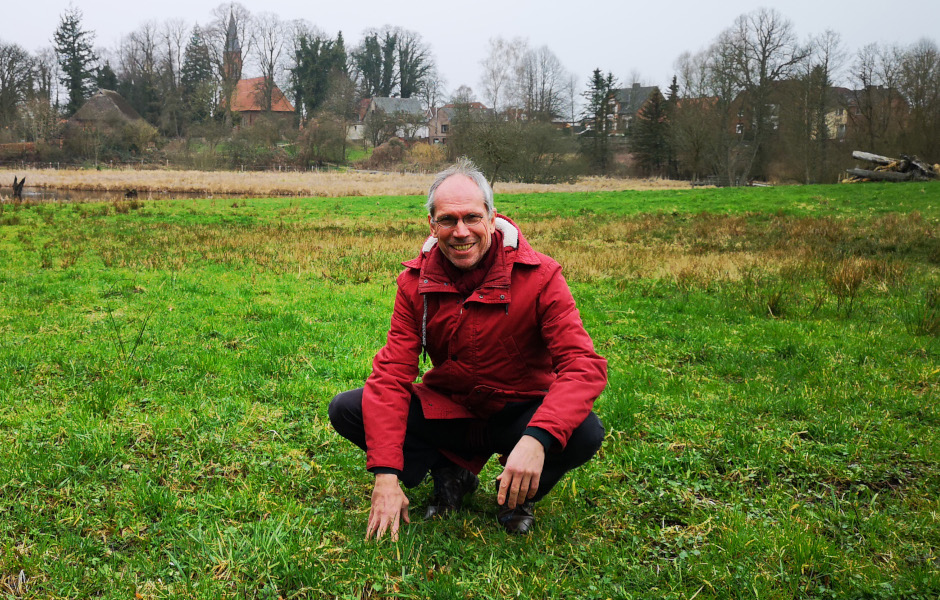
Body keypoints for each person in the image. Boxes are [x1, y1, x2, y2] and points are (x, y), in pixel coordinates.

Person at [328, 157, 607, 540]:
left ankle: (516, 493)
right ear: (432, 225)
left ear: (492, 218)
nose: (461, 232)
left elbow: (582, 366)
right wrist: (386, 475)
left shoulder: (541, 277)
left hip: (518, 412)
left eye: (472, 217)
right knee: (348, 409)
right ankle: (451, 472)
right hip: (453, 410)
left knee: (585, 432)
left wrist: (538, 437)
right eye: (448, 220)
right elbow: (392, 375)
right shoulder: (415, 284)